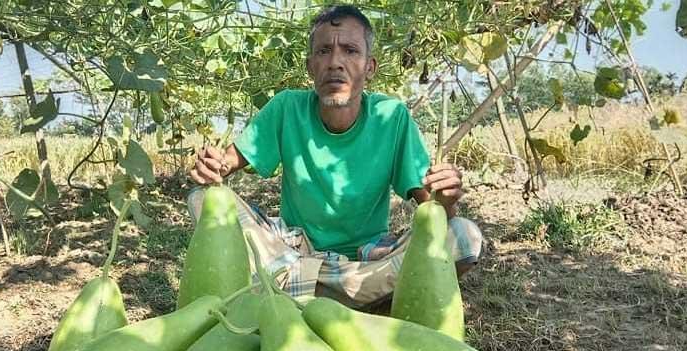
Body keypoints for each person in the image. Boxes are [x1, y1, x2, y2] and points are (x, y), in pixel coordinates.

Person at [186, 5, 483, 309]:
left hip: (366, 261)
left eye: (351, 51)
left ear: (370, 67)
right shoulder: (287, 108)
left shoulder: (391, 117)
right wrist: (212, 167)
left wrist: (446, 200)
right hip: (291, 252)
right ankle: (359, 301)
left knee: (463, 236)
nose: (335, 63)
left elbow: (433, 210)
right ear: (310, 66)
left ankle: (294, 294)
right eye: (324, 51)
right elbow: (225, 164)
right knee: (204, 199)